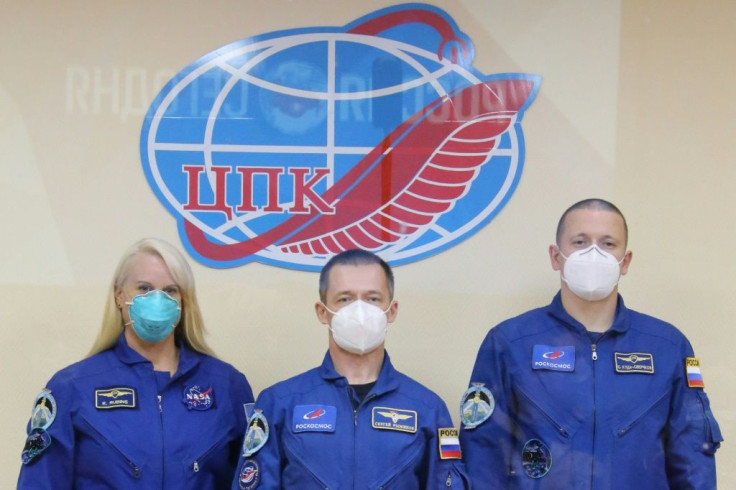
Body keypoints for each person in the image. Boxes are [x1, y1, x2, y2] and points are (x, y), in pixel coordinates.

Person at [459, 198, 723, 488]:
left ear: (626, 261)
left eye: (608, 243)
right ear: (555, 256)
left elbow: (693, 460)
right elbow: (482, 457)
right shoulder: (510, 343)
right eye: (580, 242)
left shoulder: (668, 347)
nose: (594, 253)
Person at [17, 238, 255, 489]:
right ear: (119, 295)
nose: (157, 300)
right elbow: (39, 482)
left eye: (170, 291)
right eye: (144, 288)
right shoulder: (73, 387)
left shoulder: (226, 385)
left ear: (184, 301)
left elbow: (250, 479)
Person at [232, 249, 469, 489]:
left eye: (373, 298)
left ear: (392, 310)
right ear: (322, 312)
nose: (360, 311)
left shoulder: (428, 409)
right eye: (345, 299)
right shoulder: (279, 403)